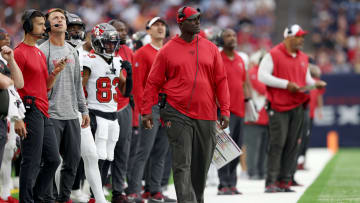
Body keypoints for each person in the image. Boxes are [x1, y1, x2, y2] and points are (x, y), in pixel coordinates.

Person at [141, 7, 230, 203]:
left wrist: (224, 109)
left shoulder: (211, 48)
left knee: (202, 163)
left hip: (206, 113)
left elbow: (221, 80)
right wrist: (146, 111)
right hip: (176, 112)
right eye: (192, 19)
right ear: (181, 23)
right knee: (182, 163)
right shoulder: (167, 51)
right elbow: (153, 82)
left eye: (198, 19)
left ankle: (197, 198)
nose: (197, 22)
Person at [258, 24, 326, 193]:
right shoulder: (273, 54)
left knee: (292, 144)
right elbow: (262, 75)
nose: (301, 40)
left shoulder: (303, 57)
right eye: (298, 36)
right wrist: (285, 84)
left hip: (297, 105)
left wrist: (314, 84)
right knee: (277, 143)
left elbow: (306, 79)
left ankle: (285, 180)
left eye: (302, 36)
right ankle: (271, 181)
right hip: (278, 105)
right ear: (288, 37)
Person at [38, 8, 89, 203]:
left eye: (62, 18)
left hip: (71, 114)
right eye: (55, 18)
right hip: (50, 114)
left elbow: (78, 84)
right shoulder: (42, 51)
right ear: (48, 25)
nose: (59, 20)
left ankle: (64, 198)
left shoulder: (72, 51)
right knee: (51, 162)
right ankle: (47, 197)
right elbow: (40, 86)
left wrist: (83, 109)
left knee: (73, 160)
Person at [14, 9, 63, 203]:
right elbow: (14, 88)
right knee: (31, 161)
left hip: (43, 110)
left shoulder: (38, 52)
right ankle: (27, 200)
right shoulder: (19, 53)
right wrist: (17, 118)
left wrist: (55, 73)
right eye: (41, 24)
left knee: (53, 159)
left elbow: (44, 86)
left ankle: (37, 196)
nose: (45, 26)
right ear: (28, 26)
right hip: (29, 109)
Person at [126, 17, 175, 203]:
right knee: (143, 151)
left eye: (163, 25)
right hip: (151, 107)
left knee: (161, 151)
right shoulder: (141, 53)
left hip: (168, 107)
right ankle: (133, 190)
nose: (160, 28)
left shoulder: (169, 53)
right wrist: (143, 110)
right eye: (156, 25)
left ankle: (154, 190)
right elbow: (138, 86)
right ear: (148, 30)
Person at [64, 13, 107, 203]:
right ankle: (59, 195)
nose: (75, 31)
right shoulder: (51, 49)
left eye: (78, 28)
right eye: (71, 27)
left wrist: (84, 110)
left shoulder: (86, 53)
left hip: (79, 111)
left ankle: (99, 199)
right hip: (57, 111)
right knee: (57, 160)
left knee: (91, 154)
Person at [216, 28, 250, 195]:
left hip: (240, 110)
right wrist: (220, 108)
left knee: (236, 148)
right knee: (224, 149)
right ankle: (223, 184)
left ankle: (232, 183)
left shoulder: (240, 59)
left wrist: (249, 102)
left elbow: (244, 83)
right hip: (224, 111)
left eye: (234, 35)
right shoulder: (217, 59)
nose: (232, 38)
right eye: (228, 36)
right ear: (221, 40)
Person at [0, 27, 24, 203]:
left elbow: (18, 84)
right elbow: (6, 83)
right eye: (3, 37)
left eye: (9, 36)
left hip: (6, 116)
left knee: (7, 155)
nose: (7, 40)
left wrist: (12, 60)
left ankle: (4, 193)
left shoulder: (4, 59)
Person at [243, 50, 269, 180]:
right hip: (254, 116)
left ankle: (262, 170)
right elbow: (264, 90)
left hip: (265, 116)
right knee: (253, 146)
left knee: (265, 146)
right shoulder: (254, 73)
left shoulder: (264, 74)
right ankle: (252, 171)